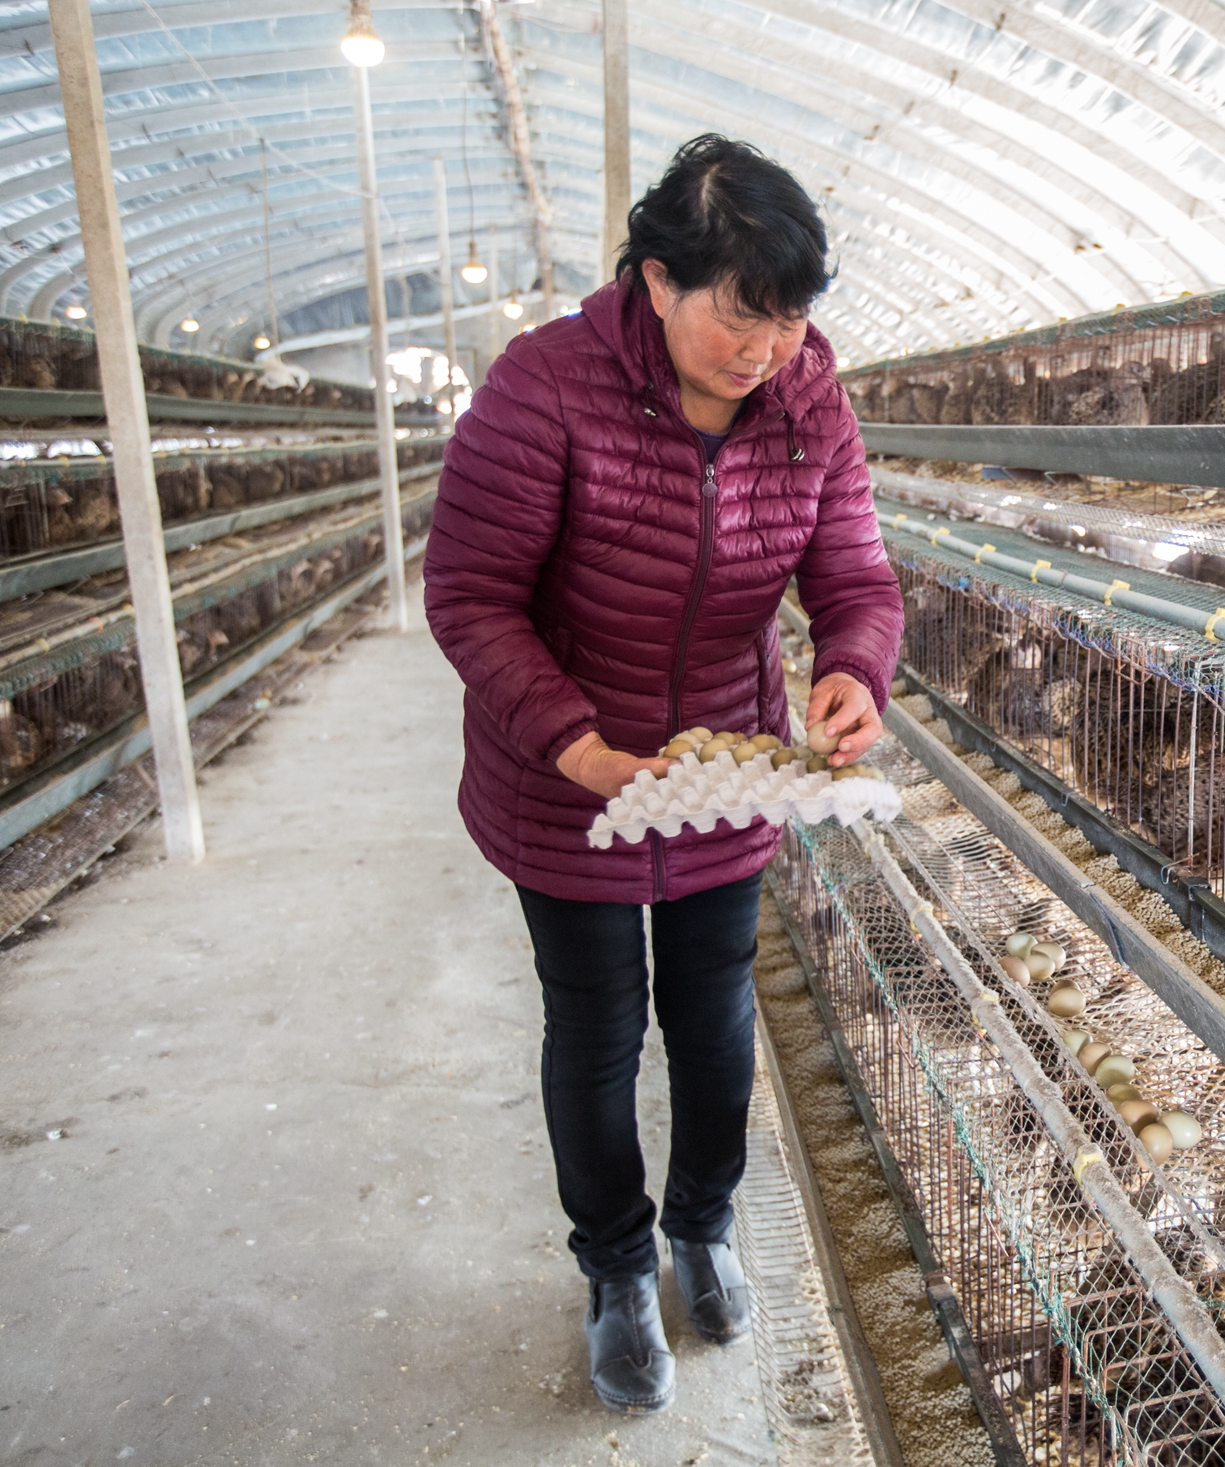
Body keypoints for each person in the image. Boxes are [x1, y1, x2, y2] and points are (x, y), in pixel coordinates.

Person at [423, 135, 903, 1415]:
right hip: (565, 775)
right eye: (740, 318)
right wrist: (574, 743)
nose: (765, 351)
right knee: (593, 1028)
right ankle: (619, 1266)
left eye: (790, 320)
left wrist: (851, 667)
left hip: (725, 766)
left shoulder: (812, 397)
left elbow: (852, 572)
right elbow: (470, 599)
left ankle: (702, 1224)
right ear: (653, 281)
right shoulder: (545, 387)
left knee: (713, 1015)